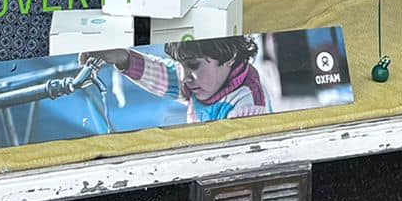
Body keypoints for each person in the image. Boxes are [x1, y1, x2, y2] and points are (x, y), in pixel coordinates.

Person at [83, 36, 270, 122]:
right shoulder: (205, 81)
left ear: (230, 57)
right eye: (181, 65)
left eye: (193, 65)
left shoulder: (248, 106)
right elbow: (162, 74)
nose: (184, 76)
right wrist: (123, 58)